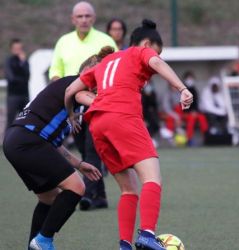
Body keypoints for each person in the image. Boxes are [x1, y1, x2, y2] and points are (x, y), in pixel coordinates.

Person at [64, 19, 193, 250]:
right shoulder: (140, 52)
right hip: (123, 118)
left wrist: (72, 114)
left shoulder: (105, 62)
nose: (156, 57)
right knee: (152, 178)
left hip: (98, 125)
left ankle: (124, 244)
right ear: (145, 43)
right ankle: (147, 234)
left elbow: (71, 90)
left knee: (128, 189)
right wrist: (182, 88)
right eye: (157, 50)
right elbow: (156, 62)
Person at [2, 48, 110, 249]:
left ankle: (34, 245)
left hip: (16, 141)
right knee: (77, 187)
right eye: (99, 72)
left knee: (49, 197)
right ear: (86, 71)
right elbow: (93, 100)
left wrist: (78, 163)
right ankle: (43, 241)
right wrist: (113, 102)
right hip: (28, 141)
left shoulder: (71, 98)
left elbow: (53, 144)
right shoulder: (75, 85)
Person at [49, 1, 118, 210]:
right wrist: (60, 94)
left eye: (87, 16)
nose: (84, 20)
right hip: (72, 104)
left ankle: (87, 195)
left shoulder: (106, 41)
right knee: (84, 149)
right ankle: (101, 196)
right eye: (79, 16)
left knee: (92, 149)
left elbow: (115, 70)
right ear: (73, 19)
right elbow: (55, 71)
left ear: (93, 18)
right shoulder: (63, 42)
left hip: (98, 102)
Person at [4, 38, 30, 129]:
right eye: (16, 48)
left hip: (24, 95)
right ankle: (6, 142)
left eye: (20, 48)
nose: (18, 50)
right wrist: (21, 79)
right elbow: (11, 78)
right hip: (13, 96)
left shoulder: (24, 62)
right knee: (10, 121)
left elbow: (28, 76)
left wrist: (23, 63)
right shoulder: (9, 61)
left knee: (25, 120)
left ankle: (23, 141)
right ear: (11, 49)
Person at [181, 71, 208, 146]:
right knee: (191, 119)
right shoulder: (182, 90)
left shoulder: (194, 90)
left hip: (194, 112)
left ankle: (206, 136)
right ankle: (189, 139)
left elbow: (196, 103)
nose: (190, 80)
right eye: (188, 78)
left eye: (191, 78)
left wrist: (196, 111)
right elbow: (182, 104)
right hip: (185, 113)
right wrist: (190, 111)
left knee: (202, 117)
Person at [142, 80, 160, 146]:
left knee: (155, 124)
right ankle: (148, 140)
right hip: (143, 115)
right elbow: (142, 106)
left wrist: (149, 96)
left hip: (152, 115)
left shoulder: (153, 94)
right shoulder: (141, 94)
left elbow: (154, 105)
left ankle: (150, 139)